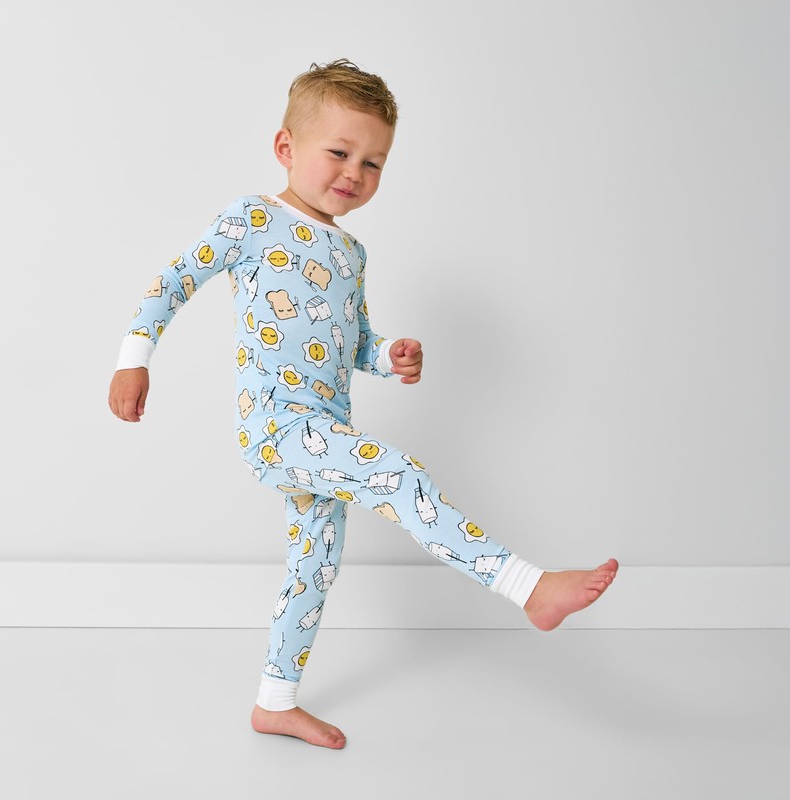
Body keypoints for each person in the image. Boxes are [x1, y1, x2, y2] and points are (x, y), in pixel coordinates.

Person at [108, 58, 619, 750]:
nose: (355, 172)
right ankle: (528, 587)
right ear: (286, 147)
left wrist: (389, 356)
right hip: (277, 428)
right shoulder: (253, 219)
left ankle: (274, 703)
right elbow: (173, 282)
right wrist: (134, 359)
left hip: (325, 430)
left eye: (374, 163)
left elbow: (352, 343)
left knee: (313, 568)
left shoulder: (351, 252)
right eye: (340, 152)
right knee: (400, 475)